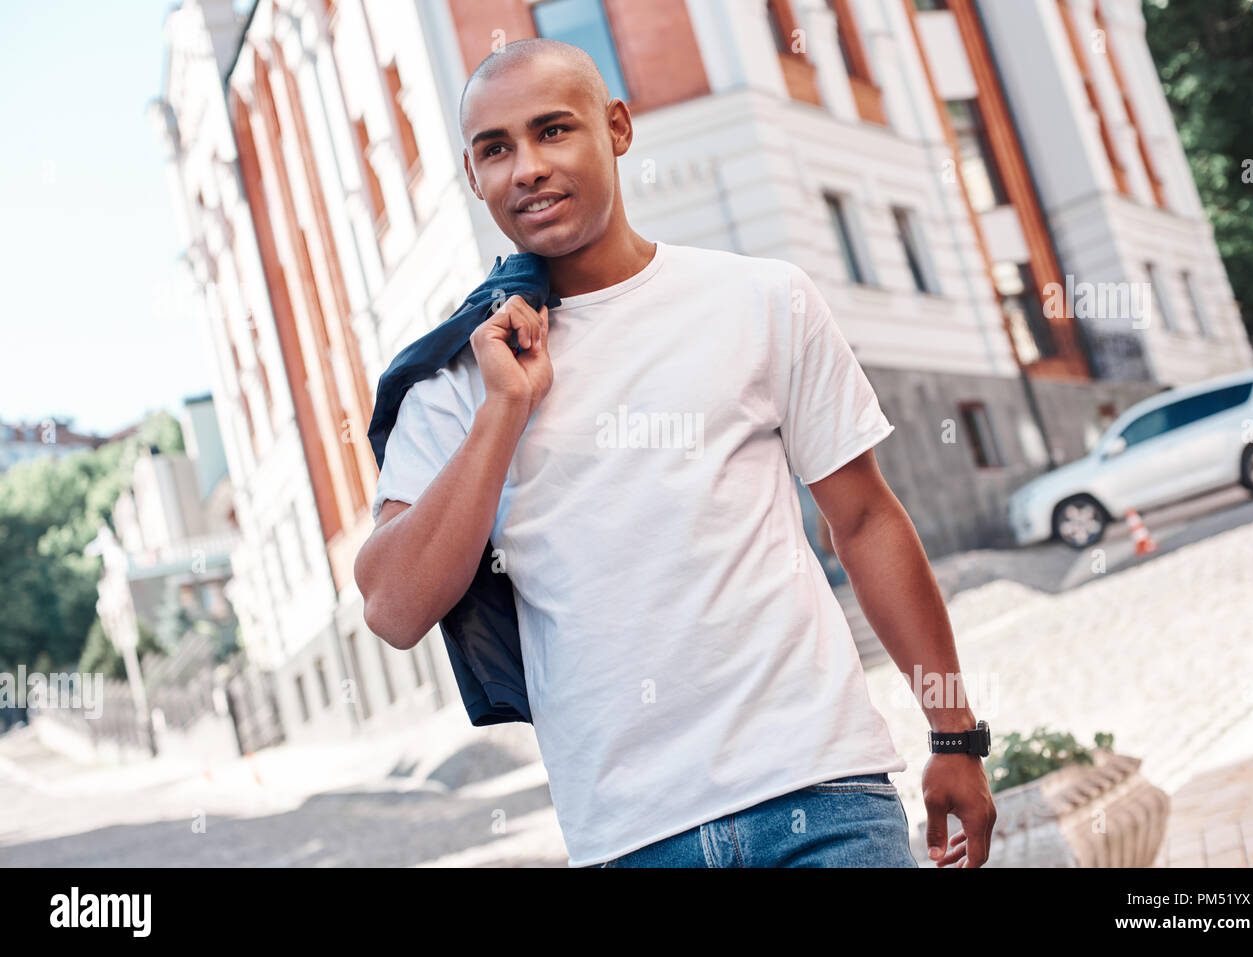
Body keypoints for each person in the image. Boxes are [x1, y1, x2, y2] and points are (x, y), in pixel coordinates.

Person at [353, 38, 995, 868]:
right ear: (473, 177)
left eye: (554, 131)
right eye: (496, 149)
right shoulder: (456, 377)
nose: (527, 168)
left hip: (821, 792)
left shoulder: (761, 299)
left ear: (617, 128)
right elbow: (394, 607)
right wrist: (504, 410)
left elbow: (867, 519)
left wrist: (955, 730)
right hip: (631, 835)